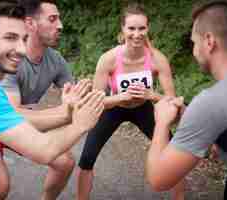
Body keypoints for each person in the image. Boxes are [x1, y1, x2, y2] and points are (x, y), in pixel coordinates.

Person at [0, 2, 105, 200]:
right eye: (10, 38)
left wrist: (67, 112)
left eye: (24, 39)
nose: (22, 49)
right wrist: (79, 124)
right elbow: (44, 150)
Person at [76, 3, 184, 200]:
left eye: (141, 28)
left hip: (143, 108)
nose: (136, 34)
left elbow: (172, 101)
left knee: (173, 152)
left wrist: (151, 96)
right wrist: (120, 97)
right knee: (87, 158)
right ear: (122, 30)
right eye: (131, 28)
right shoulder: (108, 59)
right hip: (113, 108)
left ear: (148, 29)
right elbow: (96, 101)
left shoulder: (158, 59)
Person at [0, 1, 79, 200]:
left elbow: (75, 96)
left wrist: (89, 97)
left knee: (64, 162)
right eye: (52, 19)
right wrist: (67, 115)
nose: (60, 25)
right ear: (30, 23)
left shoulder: (55, 59)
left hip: (11, 122)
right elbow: (13, 115)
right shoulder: (8, 61)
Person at [146, 1, 227, 199]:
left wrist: (161, 122)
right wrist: (193, 118)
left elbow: (158, 179)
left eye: (194, 43)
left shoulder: (211, 102)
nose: (194, 50)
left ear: (209, 41)